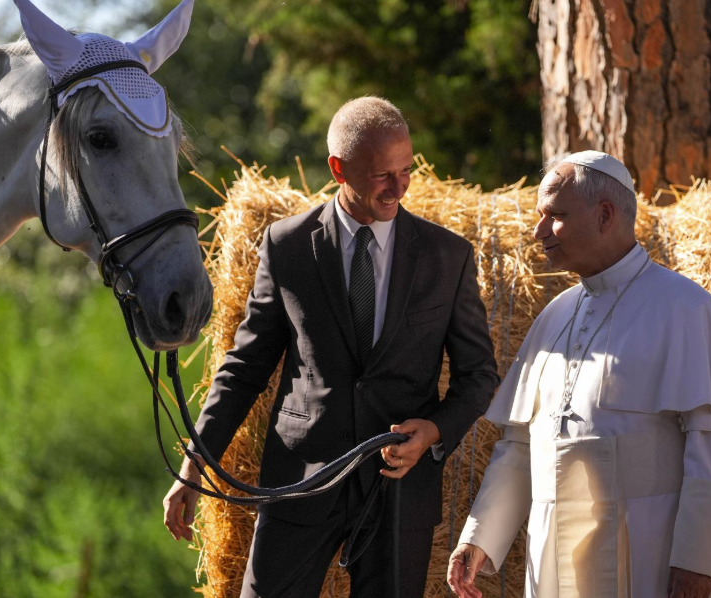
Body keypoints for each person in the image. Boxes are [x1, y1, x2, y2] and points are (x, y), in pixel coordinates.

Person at [163, 96, 500, 598]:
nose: (398, 187)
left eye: (405, 171)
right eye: (382, 175)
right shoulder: (287, 245)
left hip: (398, 495)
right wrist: (194, 466)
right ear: (338, 168)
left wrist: (434, 430)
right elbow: (245, 367)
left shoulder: (448, 256)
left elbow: (479, 376)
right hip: (299, 483)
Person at [447, 151, 711, 598]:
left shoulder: (685, 308)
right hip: (554, 556)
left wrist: (698, 566)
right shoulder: (553, 316)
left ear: (605, 215)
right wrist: (479, 537)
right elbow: (520, 445)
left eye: (555, 216)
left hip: (646, 553)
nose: (539, 231)